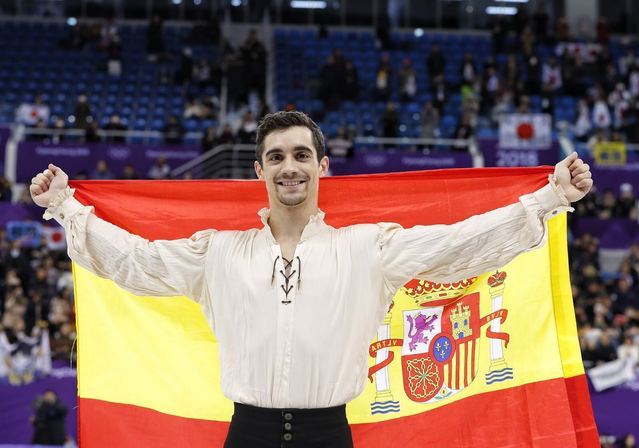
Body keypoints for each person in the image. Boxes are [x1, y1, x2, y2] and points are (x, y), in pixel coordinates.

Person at [29, 111, 593, 448]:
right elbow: (136, 260)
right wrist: (66, 207)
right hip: (245, 434)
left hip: (330, 435)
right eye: (275, 157)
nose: (289, 167)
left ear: (323, 166)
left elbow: (457, 243)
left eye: (301, 154)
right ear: (259, 171)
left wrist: (548, 198)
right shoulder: (218, 253)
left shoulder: (370, 247)